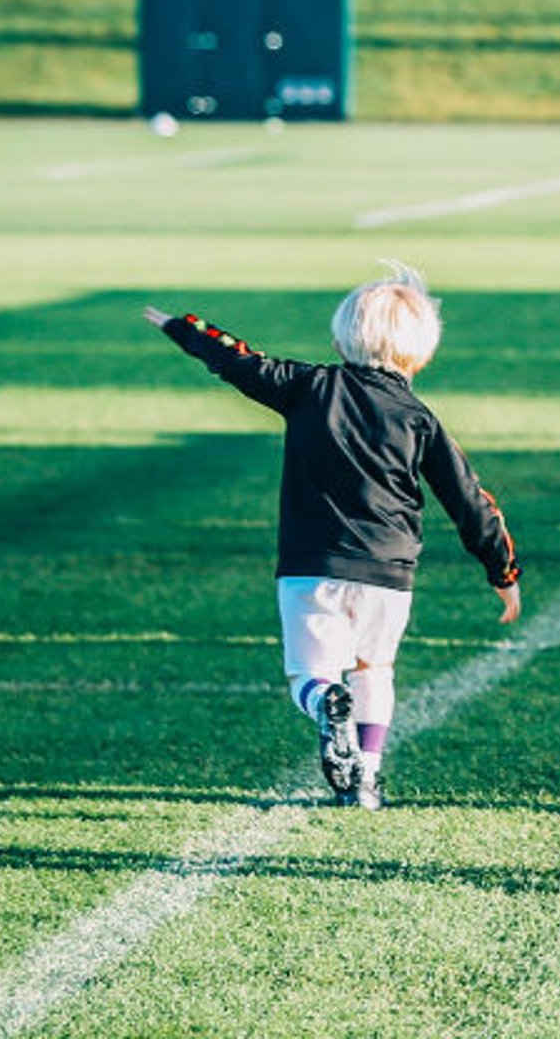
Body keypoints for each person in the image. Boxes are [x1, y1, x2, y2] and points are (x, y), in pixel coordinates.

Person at [141, 264, 520, 810]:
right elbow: (470, 501)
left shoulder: (308, 388)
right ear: (421, 354)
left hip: (311, 569)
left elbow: (238, 360)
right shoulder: (420, 419)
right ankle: (365, 779)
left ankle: (325, 702)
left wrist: (181, 327)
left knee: (310, 676)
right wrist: (502, 571)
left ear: (341, 338)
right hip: (390, 578)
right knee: (376, 670)